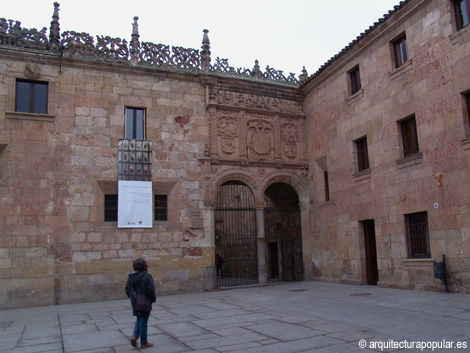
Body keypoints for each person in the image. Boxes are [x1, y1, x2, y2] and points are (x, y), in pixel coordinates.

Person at [125, 257, 157, 349]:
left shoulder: (131, 277)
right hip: (144, 301)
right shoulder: (146, 276)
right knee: (143, 321)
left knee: (139, 318)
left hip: (135, 301)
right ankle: (144, 342)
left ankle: (134, 336)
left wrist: (131, 296)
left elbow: (127, 289)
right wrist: (153, 298)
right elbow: (150, 289)